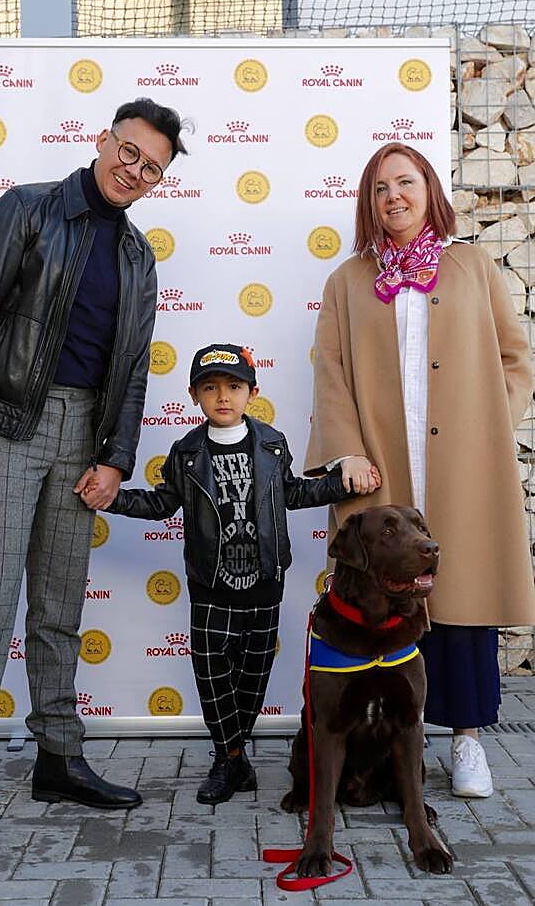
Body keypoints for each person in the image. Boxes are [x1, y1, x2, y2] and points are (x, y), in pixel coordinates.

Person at [0, 98, 188, 859]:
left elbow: (134, 372)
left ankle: (57, 757)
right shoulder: (29, 209)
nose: (134, 170)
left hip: (85, 439)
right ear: (102, 140)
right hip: (9, 424)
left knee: (58, 602)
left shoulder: (141, 258)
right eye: (129, 151)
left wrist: (116, 457)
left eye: (151, 168)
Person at [305, 142, 535, 800]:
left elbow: (516, 359)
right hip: (380, 473)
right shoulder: (348, 280)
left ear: (430, 190)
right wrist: (346, 449)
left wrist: (489, 423)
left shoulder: (473, 266)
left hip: (461, 466)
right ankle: (369, 747)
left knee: (461, 603)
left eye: (404, 182)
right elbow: (332, 374)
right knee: (373, 605)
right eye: (379, 188)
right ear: (368, 203)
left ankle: (467, 741)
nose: (393, 196)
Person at [98, 343, 380, 805]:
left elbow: (293, 493)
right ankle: (229, 759)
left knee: (252, 677)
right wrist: (113, 500)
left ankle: (232, 759)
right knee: (212, 677)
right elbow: (161, 503)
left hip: (265, 582)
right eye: (210, 388)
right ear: (194, 395)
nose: (222, 397)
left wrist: (342, 482)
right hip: (210, 584)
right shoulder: (186, 451)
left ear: (252, 392)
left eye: (233, 387)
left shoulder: (271, 444)